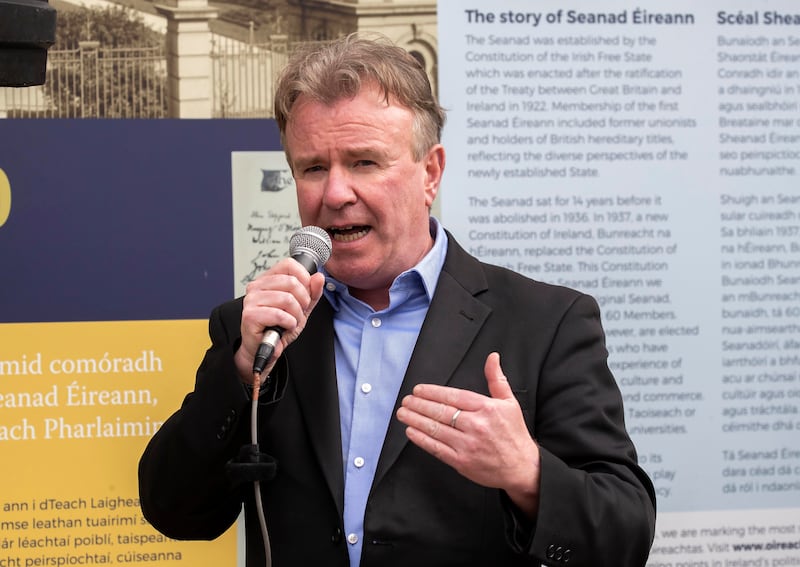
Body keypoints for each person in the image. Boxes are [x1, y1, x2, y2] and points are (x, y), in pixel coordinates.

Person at [138, 33, 656, 567]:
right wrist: (243, 370)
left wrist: (526, 474)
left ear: (429, 172)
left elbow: (624, 534)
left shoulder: (547, 323)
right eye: (313, 167)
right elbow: (174, 511)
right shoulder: (256, 329)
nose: (335, 194)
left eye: (364, 162)